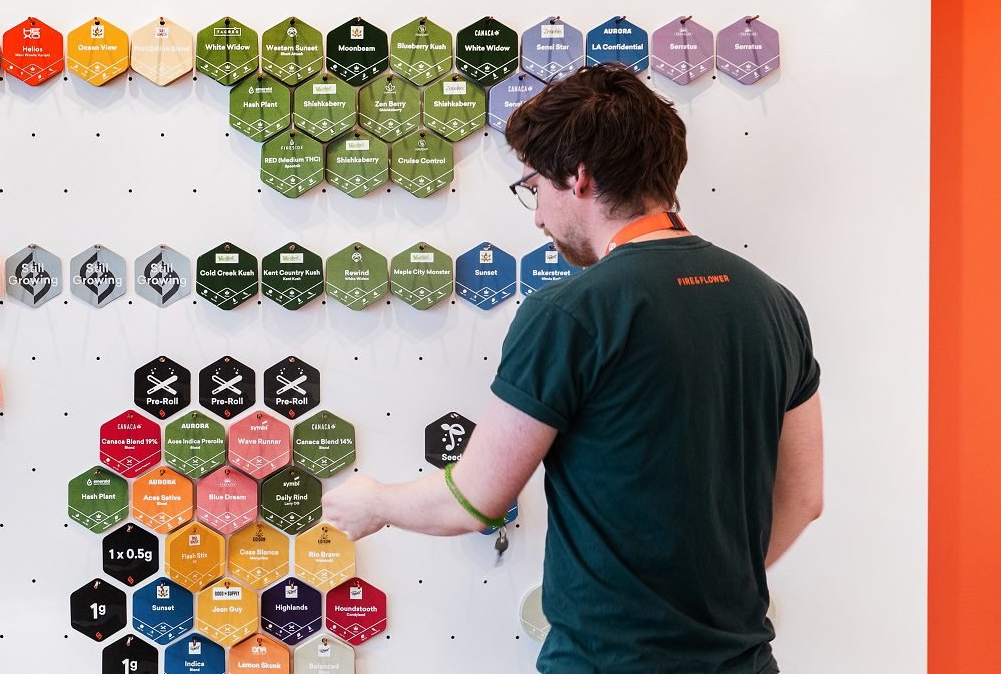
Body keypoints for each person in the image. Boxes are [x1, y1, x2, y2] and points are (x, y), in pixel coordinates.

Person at [322, 63, 824, 673]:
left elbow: (474, 501)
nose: (536, 216)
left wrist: (374, 501)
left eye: (534, 187)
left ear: (578, 177)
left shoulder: (569, 313)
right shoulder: (773, 302)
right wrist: (699, 600)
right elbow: (803, 498)